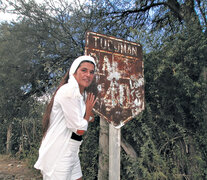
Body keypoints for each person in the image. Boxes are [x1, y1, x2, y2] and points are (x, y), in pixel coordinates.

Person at [34, 55, 97, 180]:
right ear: (74, 72)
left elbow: (90, 119)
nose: (88, 75)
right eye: (84, 70)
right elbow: (79, 130)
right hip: (59, 151)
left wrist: (87, 115)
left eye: (91, 72)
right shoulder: (68, 91)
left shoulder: (82, 95)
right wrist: (88, 111)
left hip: (72, 149)